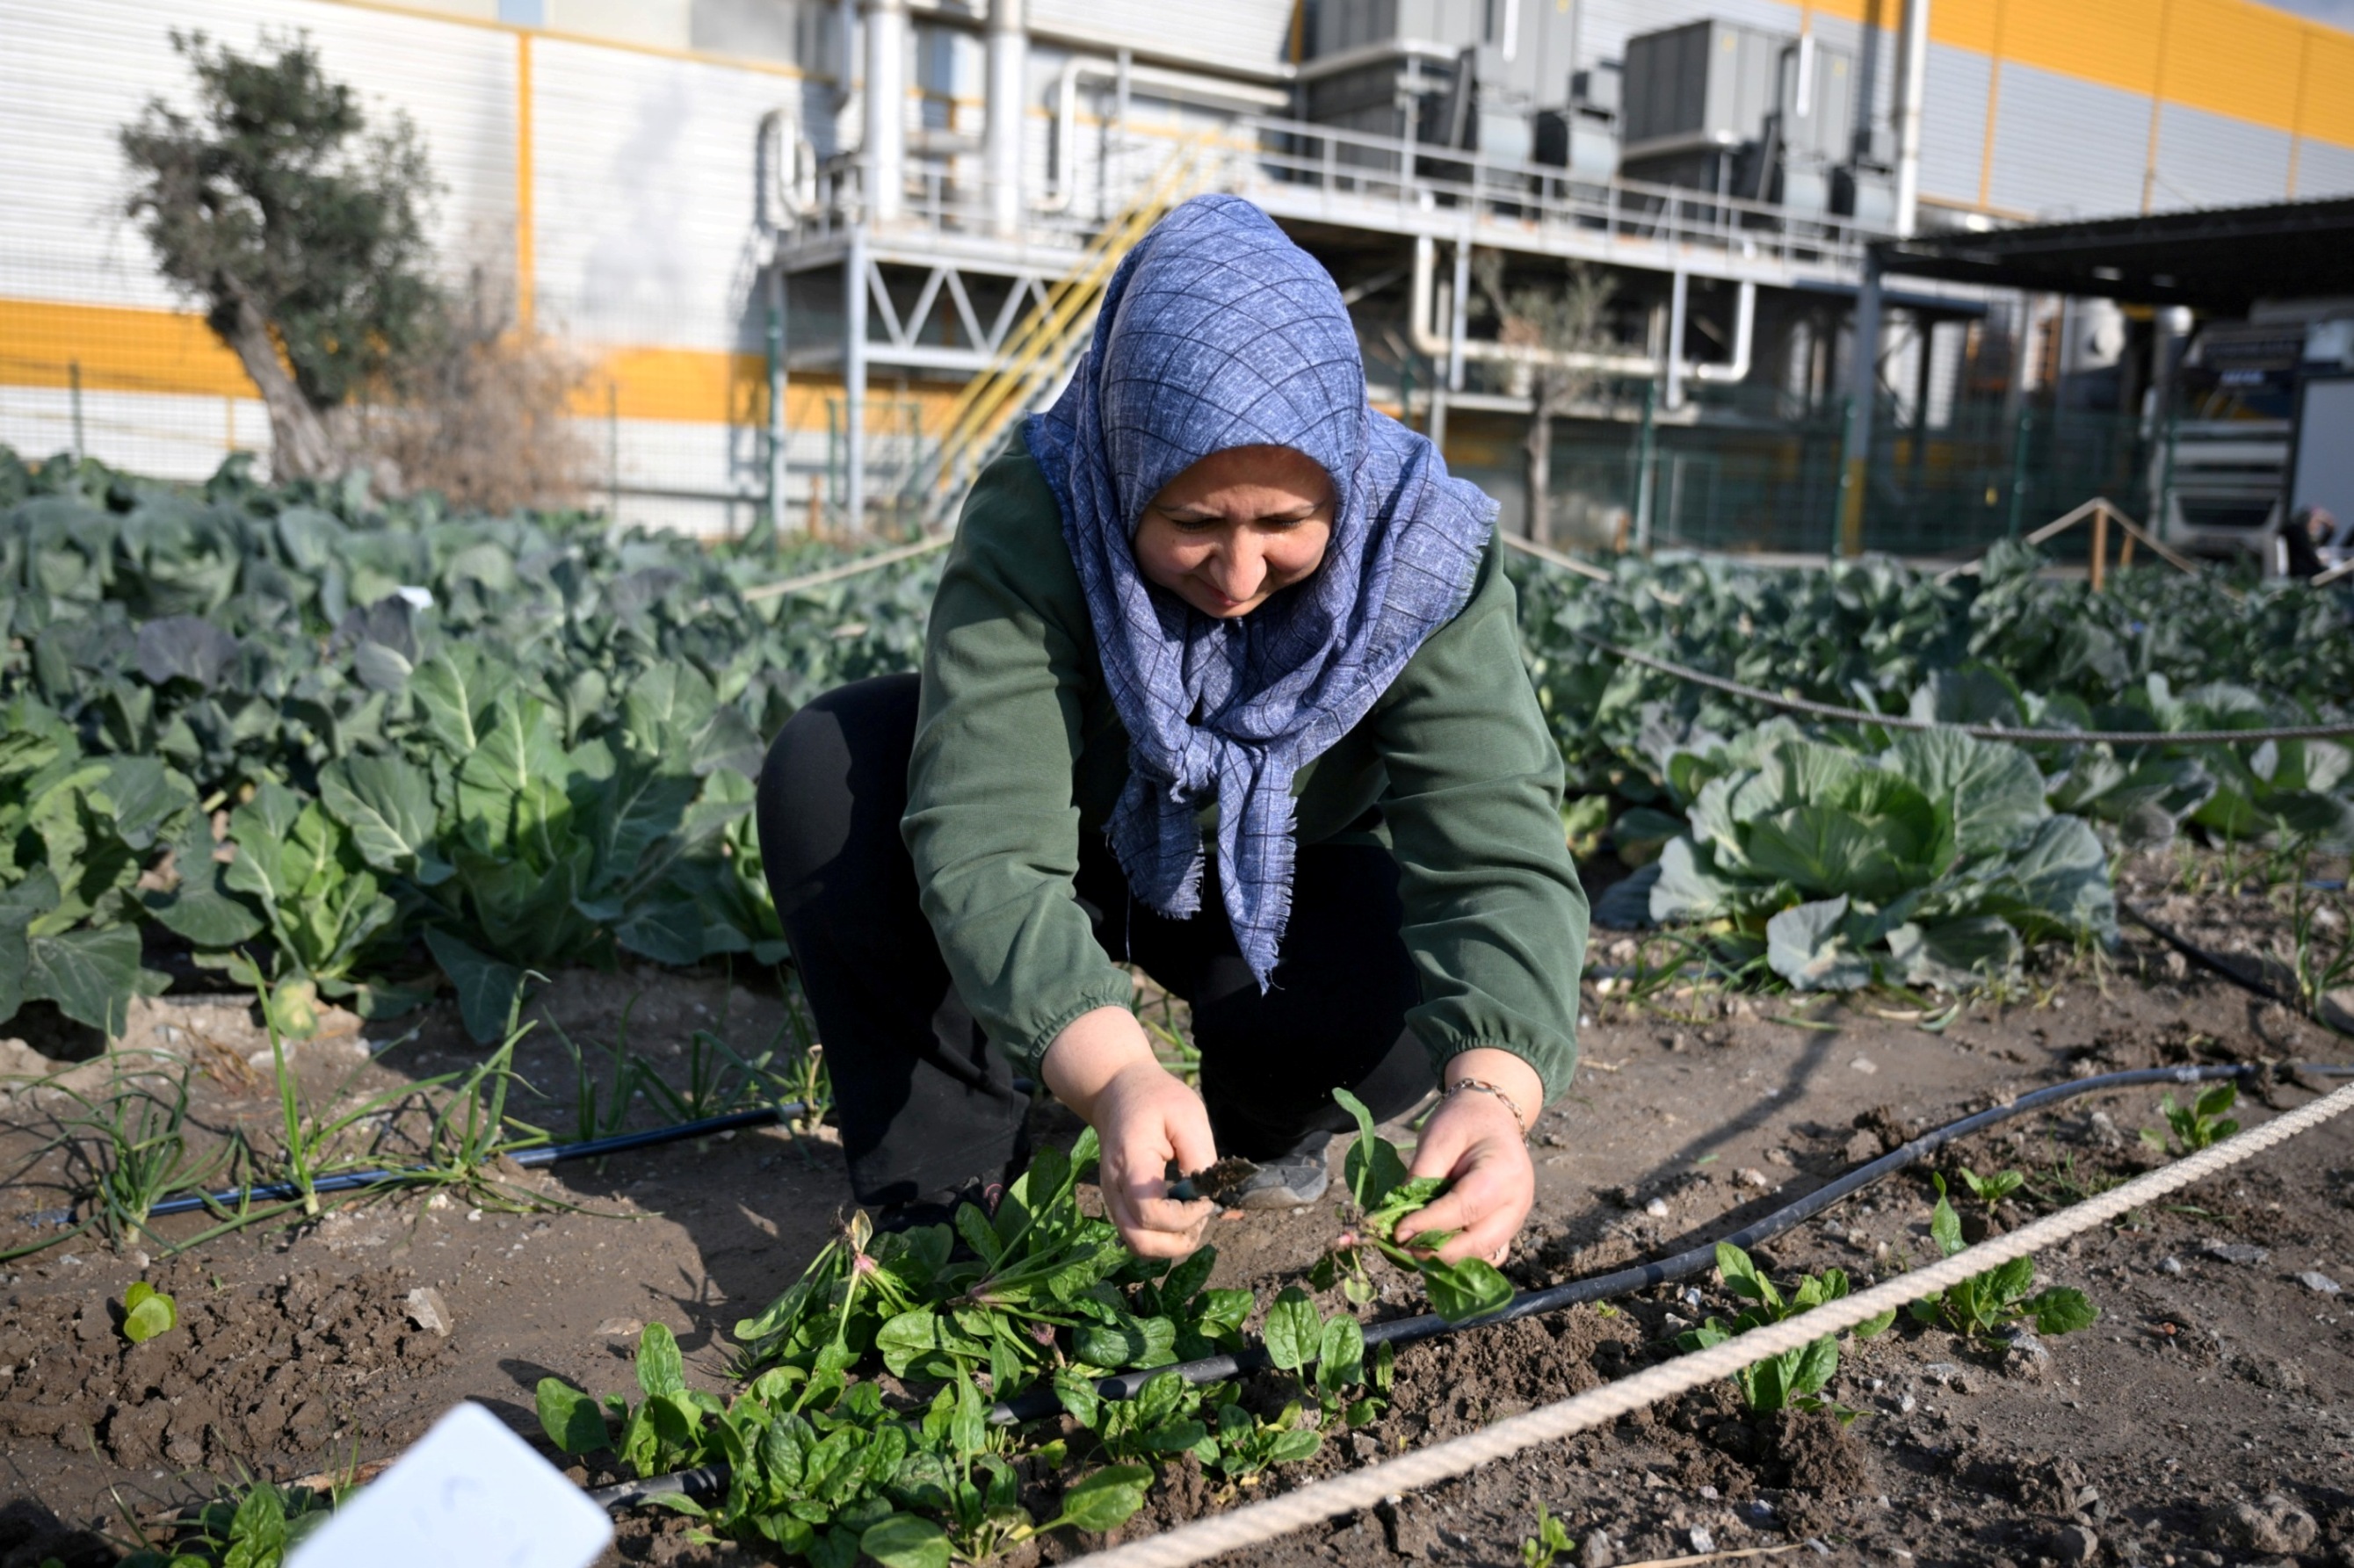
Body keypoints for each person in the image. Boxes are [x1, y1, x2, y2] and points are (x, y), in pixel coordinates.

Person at [756, 195, 1587, 1269]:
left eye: (1286, 525)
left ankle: (1256, 1132)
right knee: (833, 769)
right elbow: (987, 840)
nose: (1239, 576)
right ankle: (946, 1196)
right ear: (1126, 468)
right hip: (1078, 835)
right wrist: (1113, 1072)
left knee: (1385, 972)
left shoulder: (1416, 555)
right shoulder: (1047, 508)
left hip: (1278, 880)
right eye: (1193, 523)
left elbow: (1495, 847)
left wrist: (1493, 1095)